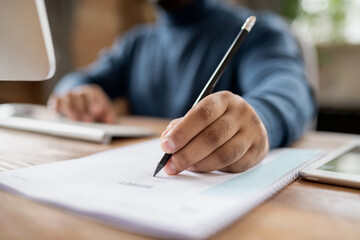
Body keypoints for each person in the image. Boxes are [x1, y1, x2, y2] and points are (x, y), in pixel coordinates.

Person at [48, 0, 316, 175]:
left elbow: (290, 90)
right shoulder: (136, 43)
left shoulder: (260, 32)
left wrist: (260, 119)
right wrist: (77, 94)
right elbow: (78, 81)